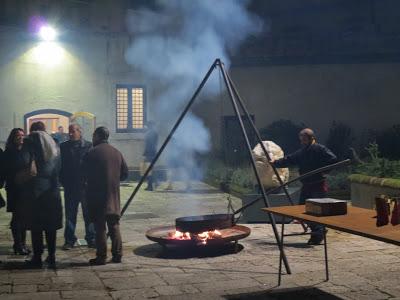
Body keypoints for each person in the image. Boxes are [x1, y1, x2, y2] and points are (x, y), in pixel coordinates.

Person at [271, 128, 337, 245]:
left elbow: (333, 159)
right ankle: (318, 231)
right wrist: (275, 163)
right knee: (303, 209)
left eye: (304, 140)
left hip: (318, 185)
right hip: (307, 184)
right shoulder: (303, 151)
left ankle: (318, 233)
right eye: (301, 140)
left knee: (315, 210)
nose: (302, 142)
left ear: (311, 138)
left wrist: (324, 171)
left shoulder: (320, 149)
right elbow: (290, 159)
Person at [82, 126, 128, 265]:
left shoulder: (91, 153)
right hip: (113, 196)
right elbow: (125, 174)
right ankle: (117, 254)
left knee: (100, 227)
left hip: (97, 196)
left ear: (97, 136)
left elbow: (83, 173)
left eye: (93, 135)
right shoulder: (117, 152)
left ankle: (101, 256)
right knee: (114, 225)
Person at [24, 121, 63, 268]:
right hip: (52, 190)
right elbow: (60, 167)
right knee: (50, 226)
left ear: (32, 131)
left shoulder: (30, 142)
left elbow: (25, 163)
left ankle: (37, 257)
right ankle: (52, 256)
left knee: (36, 226)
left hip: (35, 190)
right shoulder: (55, 144)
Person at [60, 124, 95, 249]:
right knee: (70, 215)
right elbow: (61, 166)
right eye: (69, 131)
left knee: (88, 214)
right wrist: (63, 181)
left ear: (80, 132)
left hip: (85, 187)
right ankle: (69, 240)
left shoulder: (89, 146)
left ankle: (91, 238)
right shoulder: (63, 147)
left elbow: (92, 165)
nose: (70, 133)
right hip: (70, 187)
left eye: (73, 131)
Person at [3, 128, 31, 255]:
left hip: (25, 189)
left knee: (23, 217)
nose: (21, 137)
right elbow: (5, 171)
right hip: (14, 189)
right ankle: (18, 244)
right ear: (13, 138)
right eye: (18, 135)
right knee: (17, 217)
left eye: (22, 135)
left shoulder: (26, 151)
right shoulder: (8, 153)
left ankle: (21, 244)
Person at [142, 121, 158, 191]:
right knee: (150, 169)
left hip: (150, 153)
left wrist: (145, 153)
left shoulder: (150, 133)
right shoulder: (154, 133)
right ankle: (155, 182)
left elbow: (149, 145)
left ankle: (150, 185)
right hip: (152, 153)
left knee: (148, 170)